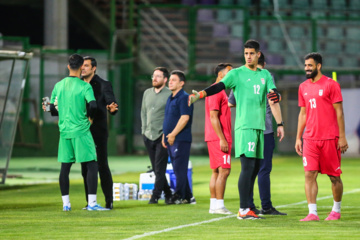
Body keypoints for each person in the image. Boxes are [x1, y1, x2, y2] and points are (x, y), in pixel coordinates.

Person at [188, 39, 284, 220]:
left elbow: (273, 92)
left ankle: (248, 208)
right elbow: (218, 86)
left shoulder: (265, 75)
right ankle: (243, 209)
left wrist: (276, 96)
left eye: (251, 53)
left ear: (258, 54)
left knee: (255, 169)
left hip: (260, 128)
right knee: (247, 168)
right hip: (245, 127)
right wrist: (200, 94)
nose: (248, 56)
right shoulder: (237, 74)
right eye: (246, 53)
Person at [228, 52, 286, 216]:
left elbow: (231, 103)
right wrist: (280, 124)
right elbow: (273, 100)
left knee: (249, 169)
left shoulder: (241, 78)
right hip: (264, 130)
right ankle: (265, 206)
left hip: (245, 129)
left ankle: (249, 205)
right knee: (263, 169)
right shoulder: (267, 77)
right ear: (265, 64)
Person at [47, 54, 108, 211]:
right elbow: (93, 105)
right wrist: (90, 118)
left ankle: (66, 204)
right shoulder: (84, 86)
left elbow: (52, 109)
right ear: (82, 67)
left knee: (65, 168)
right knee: (92, 165)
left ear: (68, 67)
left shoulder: (58, 86)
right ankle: (92, 204)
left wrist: (51, 109)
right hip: (81, 130)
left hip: (65, 132)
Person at [295, 52, 348, 221]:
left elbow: (339, 112)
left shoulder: (331, 85)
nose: (307, 69)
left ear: (319, 66)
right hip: (310, 139)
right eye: (305, 66)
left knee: (334, 177)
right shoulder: (303, 87)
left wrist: (342, 137)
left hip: (330, 138)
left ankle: (336, 210)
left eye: (310, 65)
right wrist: (298, 137)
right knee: (309, 174)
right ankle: (312, 213)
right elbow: (302, 113)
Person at [80, 56, 118, 210]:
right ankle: (90, 202)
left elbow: (111, 102)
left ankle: (109, 201)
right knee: (85, 168)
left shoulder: (103, 84)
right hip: (81, 131)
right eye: (82, 66)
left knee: (102, 165)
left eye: (86, 66)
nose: (83, 68)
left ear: (94, 68)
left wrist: (112, 108)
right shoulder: (77, 85)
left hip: (98, 131)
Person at [162, 70, 195, 204]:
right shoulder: (171, 97)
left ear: (182, 83)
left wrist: (173, 134)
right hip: (170, 138)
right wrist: (164, 135)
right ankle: (188, 196)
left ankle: (179, 195)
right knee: (177, 168)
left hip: (180, 139)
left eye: (174, 80)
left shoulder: (184, 97)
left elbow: (184, 118)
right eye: (170, 80)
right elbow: (168, 118)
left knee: (179, 168)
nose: (170, 82)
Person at [141, 67, 173, 204]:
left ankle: (155, 197)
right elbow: (143, 112)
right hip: (148, 135)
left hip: (162, 137)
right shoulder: (147, 93)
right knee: (156, 169)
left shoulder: (170, 94)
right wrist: (143, 130)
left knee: (159, 168)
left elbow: (171, 116)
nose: (154, 79)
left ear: (165, 79)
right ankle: (168, 194)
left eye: (158, 76)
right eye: (153, 76)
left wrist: (167, 134)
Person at [205, 63, 233, 215]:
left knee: (216, 172)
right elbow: (213, 116)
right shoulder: (217, 91)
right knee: (224, 171)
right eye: (229, 72)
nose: (232, 74)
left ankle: (214, 205)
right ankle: (220, 206)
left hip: (213, 136)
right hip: (219, 137)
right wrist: (222, 139)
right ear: (221, 75)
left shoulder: (218, 90)